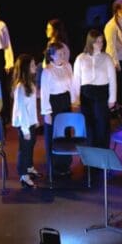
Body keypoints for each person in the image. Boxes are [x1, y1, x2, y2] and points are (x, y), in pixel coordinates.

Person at [40, 41, 78, 178]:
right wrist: (47, 113)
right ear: (52, 56)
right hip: (54, 103)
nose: (62, 56)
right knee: (54, 135)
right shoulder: (48, 71)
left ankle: (65, 164)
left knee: (66, 133)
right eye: (59, 54)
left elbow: (72, 85)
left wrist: (74, 102)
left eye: (63, 53)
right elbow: (44, 93)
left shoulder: (68, 66)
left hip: (65, 102)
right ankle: (54, 166)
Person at [75, 29, 117, 150]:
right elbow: (76, 80)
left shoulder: (107, 58)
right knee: (88, 125)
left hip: (102, 94)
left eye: (101, 41)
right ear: (90, 42)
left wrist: (112, 98)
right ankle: (90, 156)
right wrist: (76, 98)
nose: (100, 44)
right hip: (86, 94)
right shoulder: (81, 58)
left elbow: (112, 79)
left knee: (102, 125)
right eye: (97, 41)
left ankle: (102, 154)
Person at [11, 53, 41, 188]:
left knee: (31, 145)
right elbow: (21, 110)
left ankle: (29, 167)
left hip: (30, 122)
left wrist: (35, 120)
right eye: (33, 64)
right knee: (24, 148)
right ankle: (23, 175)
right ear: (26, 68)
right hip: (24, 124)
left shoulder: (31, 84)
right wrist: (25, 129)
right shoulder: (20, 87)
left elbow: (32, 106)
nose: (35, 66)